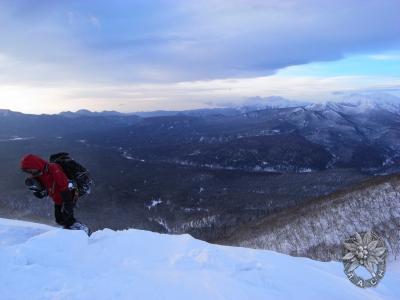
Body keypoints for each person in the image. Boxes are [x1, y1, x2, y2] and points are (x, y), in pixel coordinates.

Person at [20, 154, 78, 229]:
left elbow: (64, 186)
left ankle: (79, 232)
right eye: (27, 170)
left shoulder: (53, 168)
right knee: (59, 220)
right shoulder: (36, 175)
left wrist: (68, 203)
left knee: (67, 219)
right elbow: (44, 190)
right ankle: (71, 232)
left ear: (35, 165)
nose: (30, 171)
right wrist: (37, 192)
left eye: (30, 169)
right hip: (57, 200)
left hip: (67, 197)